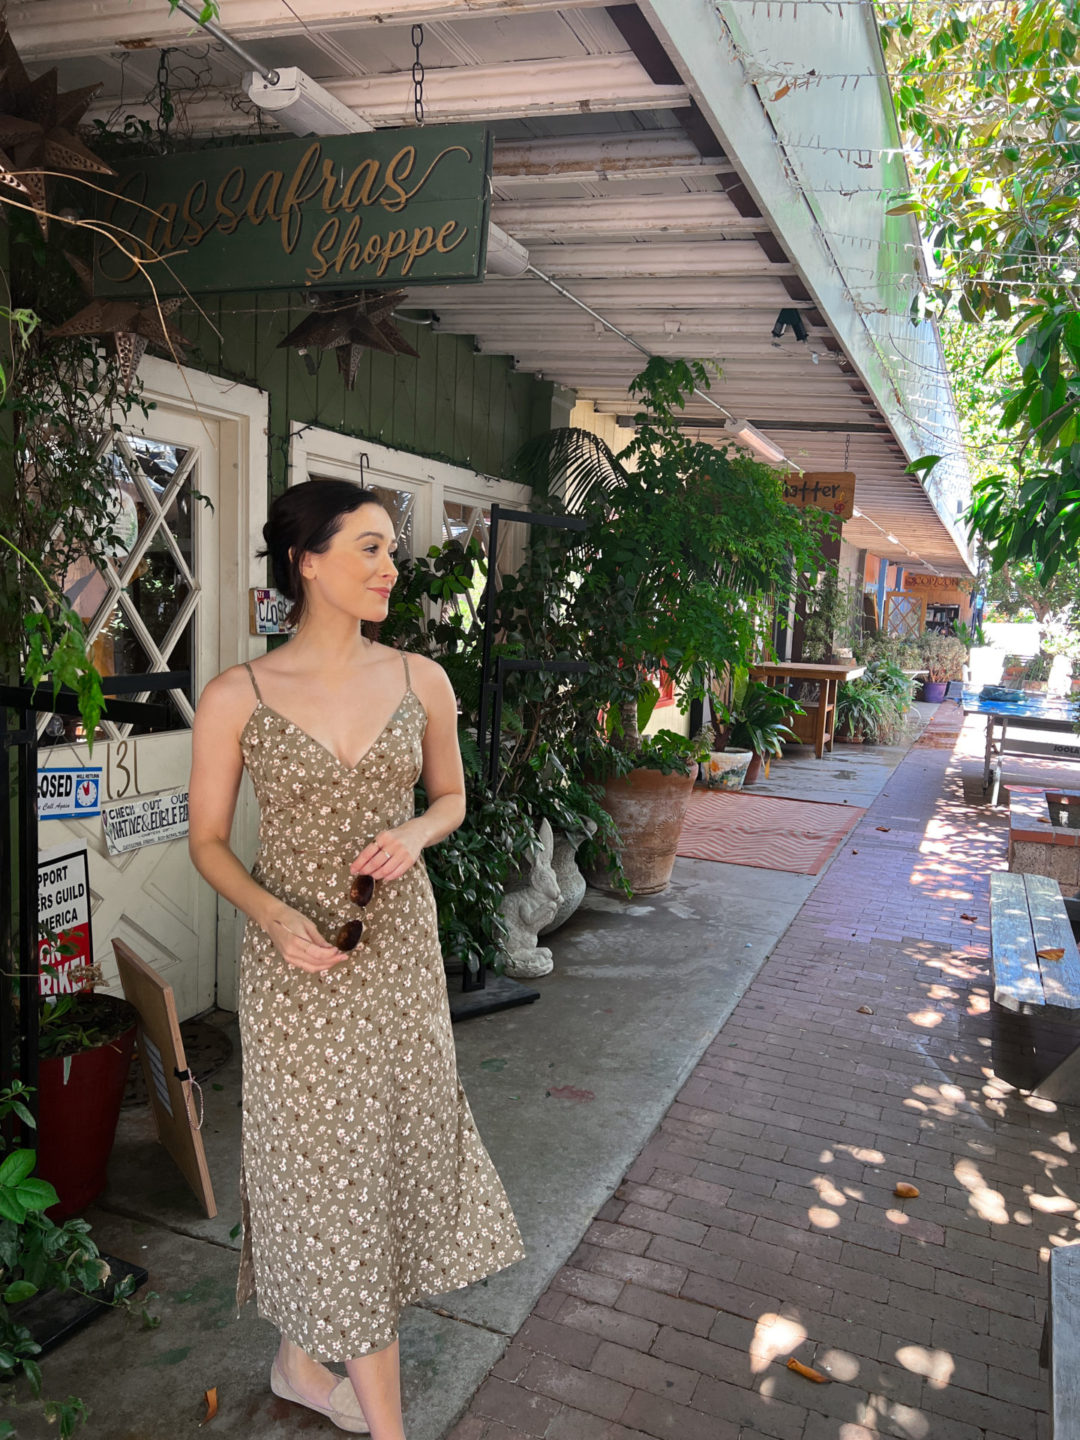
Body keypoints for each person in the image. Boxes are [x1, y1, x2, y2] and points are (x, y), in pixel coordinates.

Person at [188, 479, 524, 1439]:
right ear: (307, 561)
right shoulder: (237, 695)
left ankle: (302, 1361)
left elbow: (451, 797)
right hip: (296, 966)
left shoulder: (421, 679)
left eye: (390, 551)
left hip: (397, 956)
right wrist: (270, 914)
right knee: (321, 1170)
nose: (389, 569)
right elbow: (206, 841)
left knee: (381, 1159)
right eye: (369, 549)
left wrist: (415, 833)